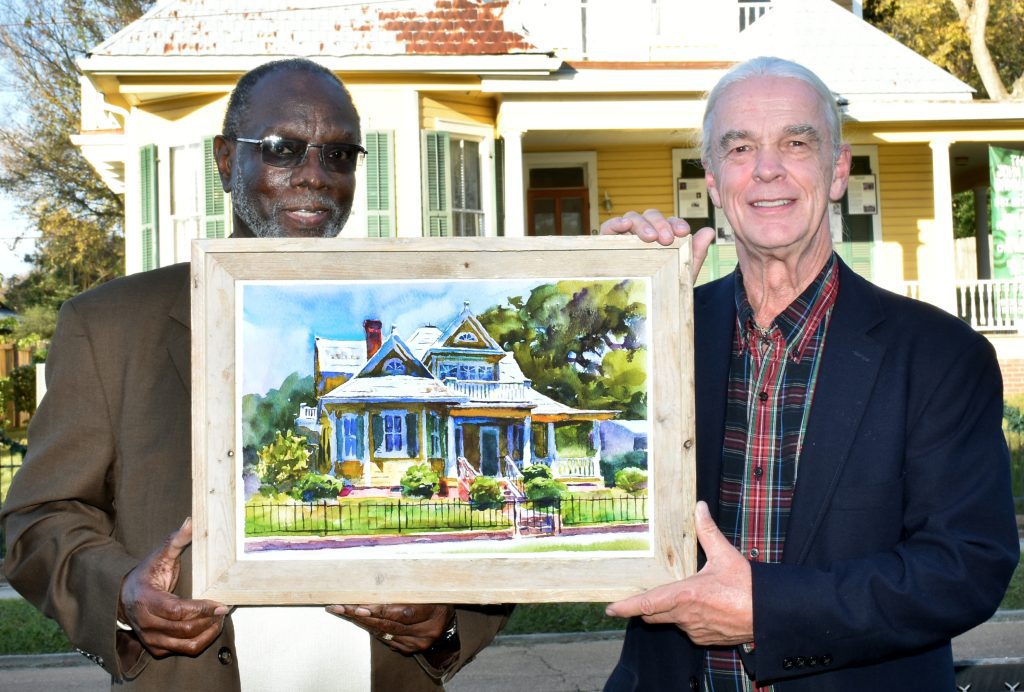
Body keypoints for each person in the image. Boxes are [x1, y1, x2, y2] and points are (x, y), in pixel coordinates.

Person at [0, 58, 507, 691]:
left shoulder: (403, 305)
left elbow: (503, 539)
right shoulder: (109, 326)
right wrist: (123, 595)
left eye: (339, 155)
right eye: (282, 149)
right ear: (224, 160)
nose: (314, 176)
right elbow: (39, 517)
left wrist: (450, 622)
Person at [600, 56, 1019, 691]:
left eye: (796, 143)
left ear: (837, 171)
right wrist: (605, 297)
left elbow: (965, 567)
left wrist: (767, 611)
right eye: (740, 147)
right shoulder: (658, 335)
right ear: (712, 179)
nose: (767, 168)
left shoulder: (939, 354)